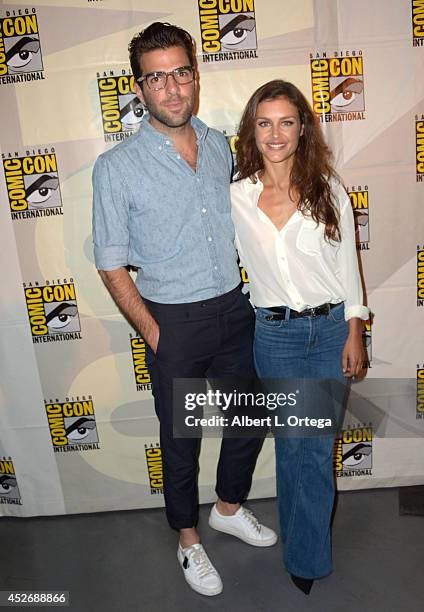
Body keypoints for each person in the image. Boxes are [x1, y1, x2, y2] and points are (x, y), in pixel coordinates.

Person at [92, 22, 276, 598]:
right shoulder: (116, 167)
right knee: (182, 439)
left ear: (194, 75)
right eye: (156, 77)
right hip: (173, 318)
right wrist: (153, 330)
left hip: (234, 308)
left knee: (249, 419)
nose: (171, 88)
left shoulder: (220, 143)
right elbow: (110, 262)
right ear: (139, 87)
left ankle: (226, 507)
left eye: (179, 72)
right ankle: (189, 539)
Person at [231, 80, 369, 594]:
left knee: (312, 449)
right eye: (264, 122)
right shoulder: (235, 197)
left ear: (302, 128)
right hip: (275, 337)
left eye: (286, 121)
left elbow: (347, 268)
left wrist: (354, 331)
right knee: (294, 446)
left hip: (331, 330)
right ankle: (300, 540)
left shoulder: (327, 188)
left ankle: (306, 560)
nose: (275, 133)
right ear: (252, 130)